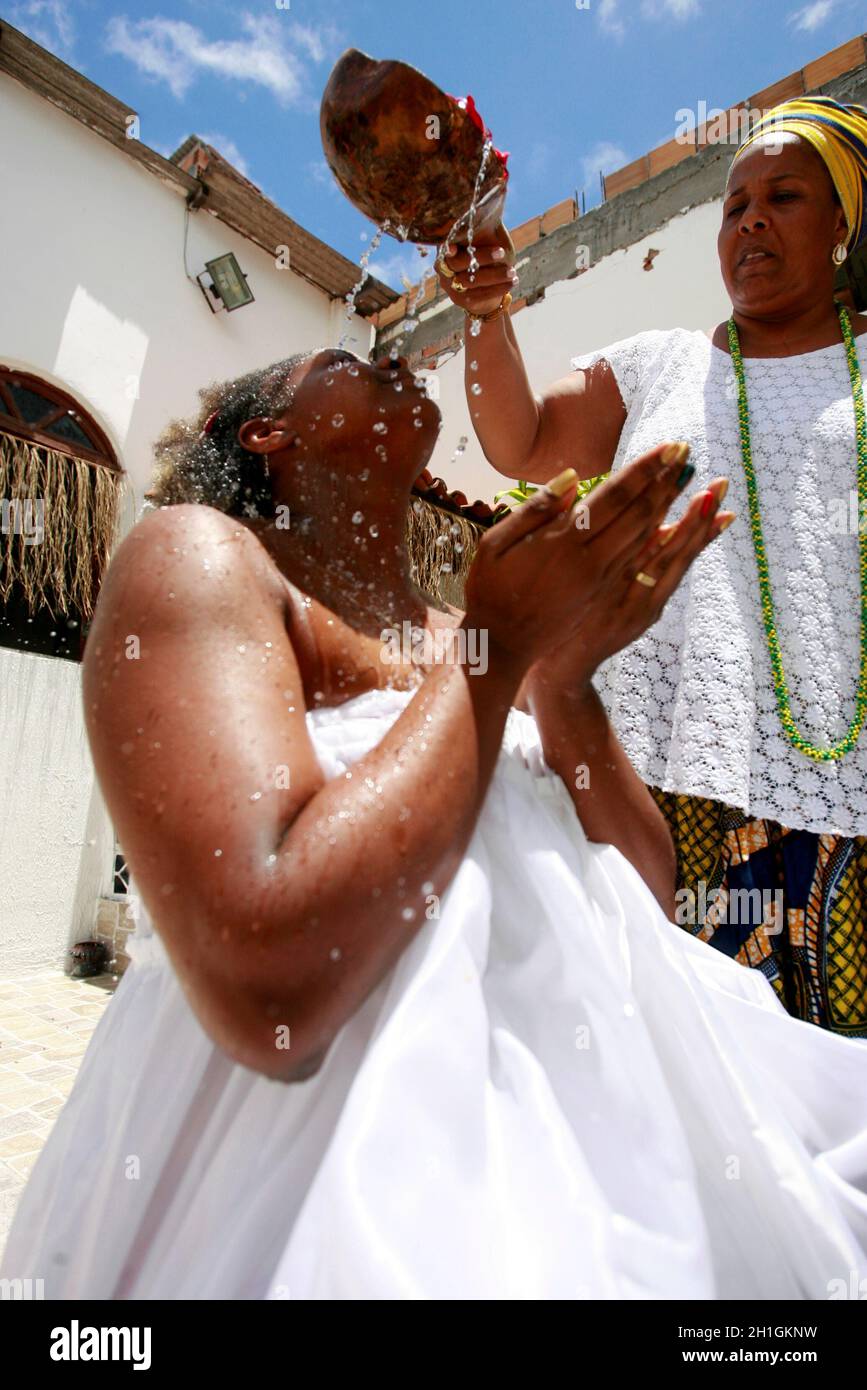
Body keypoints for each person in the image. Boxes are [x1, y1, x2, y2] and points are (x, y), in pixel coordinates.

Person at [2, 340, 867, 1300]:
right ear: (266, 431)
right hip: (321, 1152)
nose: (391, 353)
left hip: (576, 1144)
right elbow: (268, 978)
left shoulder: (478, 628)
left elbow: (648, 899)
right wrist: (500, 668)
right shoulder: (203, 557)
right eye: (341, 356)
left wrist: (565, 680)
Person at [437, 95, 867, 1037]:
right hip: (639, 775)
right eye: (732, 202)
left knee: (817, 1124)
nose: (748, 217)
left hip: (838, 806)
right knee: (641, 1081)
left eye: (784, 197)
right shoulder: (660, 366)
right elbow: (519, 442)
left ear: (844, 225)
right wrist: (484, 312)